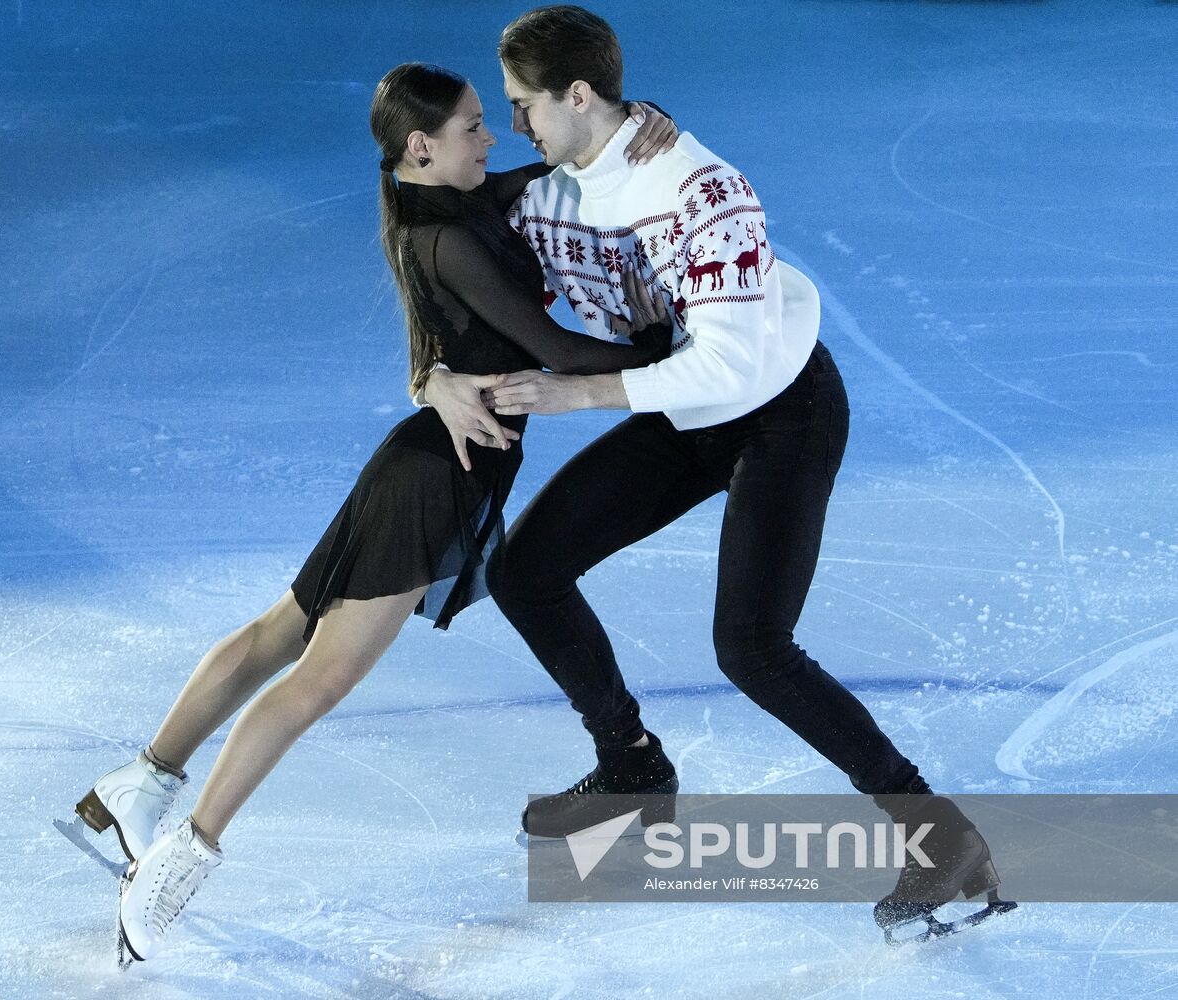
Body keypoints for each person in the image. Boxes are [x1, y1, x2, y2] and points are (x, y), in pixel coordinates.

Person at [71, 62, 679, 965]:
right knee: (319, 676)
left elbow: (545, 173)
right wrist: (677, 355)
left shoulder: (450, 199)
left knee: (281, 630)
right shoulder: (447, 239)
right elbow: (551, 348)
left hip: (422, 459)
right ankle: (179, 861)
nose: (494, 136)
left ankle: (138, 781)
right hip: (431, 481)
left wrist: (638, 120)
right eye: (475, 126)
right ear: (421, 146)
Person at [422, 5, 1006, 937]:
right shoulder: (544, 193)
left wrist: (579, 396)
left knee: (752, 647)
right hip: (675, 408)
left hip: (778, 409)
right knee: (528, 572)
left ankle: (939, 835)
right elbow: (431, 248)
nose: (514, 126)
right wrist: (433, 375)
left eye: (525, 105)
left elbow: (730, 366)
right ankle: (631, 769)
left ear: (578, 95)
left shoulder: (701, 190)